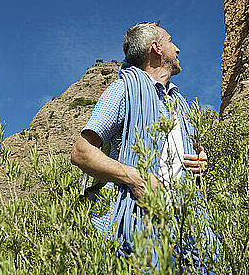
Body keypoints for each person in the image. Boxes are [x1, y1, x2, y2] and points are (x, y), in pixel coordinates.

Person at [70, 21, 209, 253]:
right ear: (156, 48)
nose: (178, 49)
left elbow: (186, 156)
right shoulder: (123, 90)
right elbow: (81, 152)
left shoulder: (179, 104)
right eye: (171, 41)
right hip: (136, 223)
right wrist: (137, 178)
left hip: (184, 226)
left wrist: (200, 160)